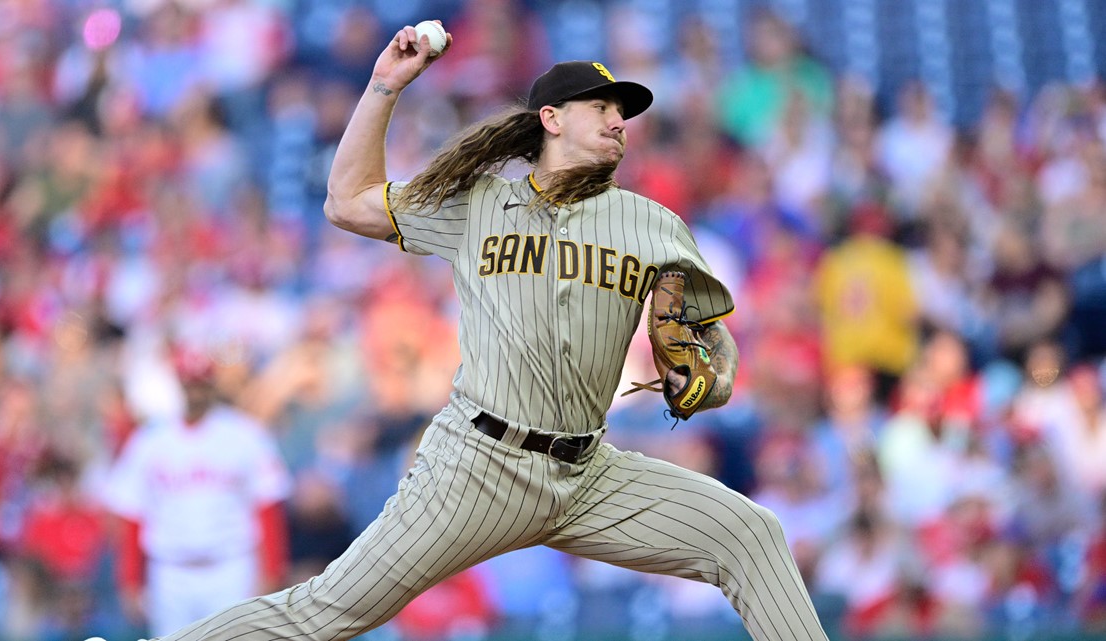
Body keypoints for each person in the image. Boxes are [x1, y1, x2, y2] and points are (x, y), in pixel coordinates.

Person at [135, 21, 828, 641]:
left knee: (751, 535)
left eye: (625, 112)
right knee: (327, 611)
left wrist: (709, 376)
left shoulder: (654, 225)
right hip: (478, 464)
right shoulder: (480, 204)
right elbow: (347, 201)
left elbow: (711, 338)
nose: (620, 121)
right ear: (550, 118)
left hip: (589, 472)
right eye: (604, 108)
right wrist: (383, 87)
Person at [101, 345, 292, 638]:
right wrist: (130, 580)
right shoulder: (151, 440)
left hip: (231, 565)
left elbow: (267, 505)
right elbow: (132, 514)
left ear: (212, 384)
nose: (195, 391)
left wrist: (273, 571)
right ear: (178, 384)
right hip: (170, 571)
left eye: (201, 383)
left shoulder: (244, 434)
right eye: (189, 383)